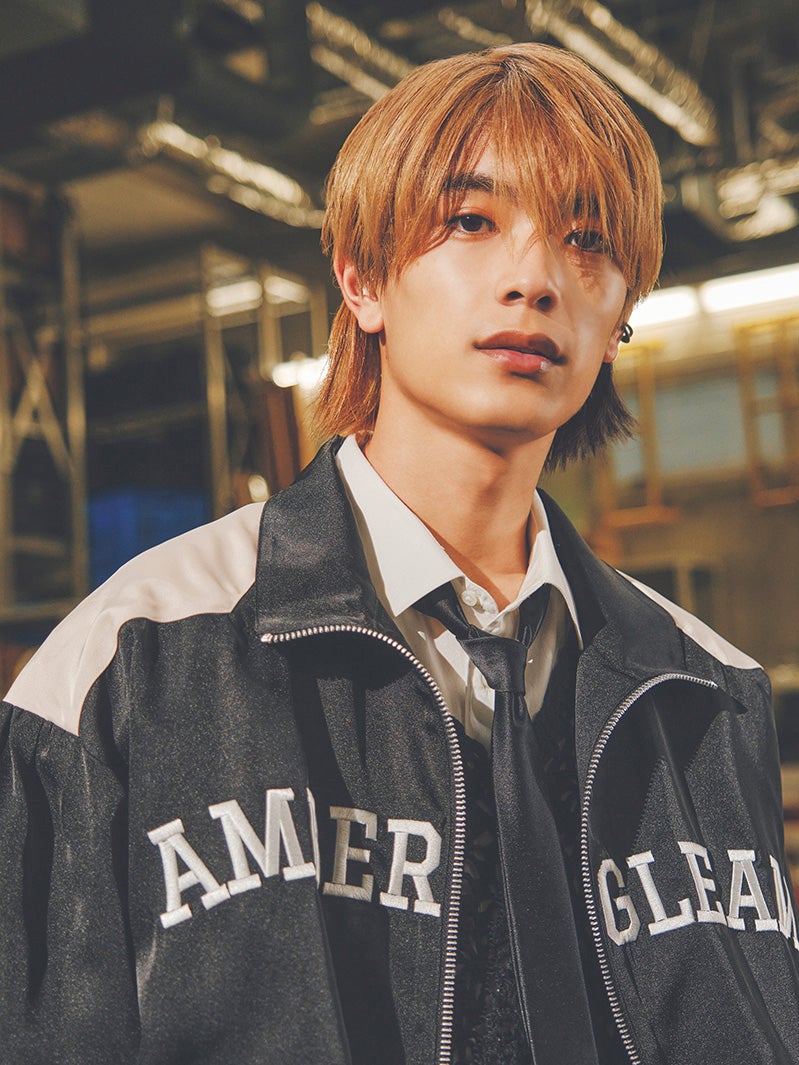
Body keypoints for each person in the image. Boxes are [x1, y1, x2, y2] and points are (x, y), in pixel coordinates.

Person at [1, 42, 798, 1065]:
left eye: (586, 240)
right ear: (362, 278)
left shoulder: (708, 693)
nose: (533, 280)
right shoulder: (134, 663)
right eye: (470, 221)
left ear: (619, 322)